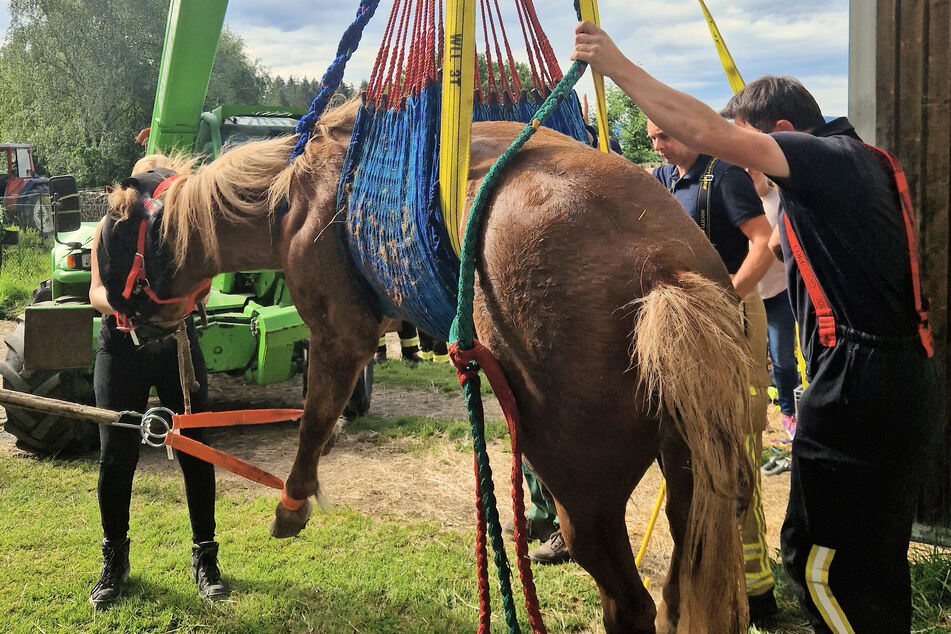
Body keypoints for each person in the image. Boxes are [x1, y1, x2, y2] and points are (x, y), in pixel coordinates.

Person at [572, 23, 944, 632]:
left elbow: (705, 132)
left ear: (784, 136)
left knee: (821, 566)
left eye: (746, 153)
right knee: (871, 562)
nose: (742, 171)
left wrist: (616, 65)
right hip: (893, 377)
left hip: (859, 389)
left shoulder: (825, 159)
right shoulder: (861, 166)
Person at [647, 120, 778, 620]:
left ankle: (757, 590)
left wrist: (726, 299)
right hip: (687, 328)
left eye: (667, 134)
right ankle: (709, 573)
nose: (660, 144)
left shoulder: (722, 176)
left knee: (736, 446)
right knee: (693, 450)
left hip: (733, 317)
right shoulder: (660, 180)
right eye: (653, 136)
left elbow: (763, 243)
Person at [87, 160, 228, 608]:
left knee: (196, 447)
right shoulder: (108, 228)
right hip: (121, 343)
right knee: (116, 455)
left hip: (177, 343)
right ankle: (114, 560)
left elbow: (204, 287)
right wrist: (121, 302)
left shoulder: (182, 229)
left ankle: (206, 559)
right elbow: (94, 294)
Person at [748, 168, 801, 438]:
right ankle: (756, 414)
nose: (747, 171)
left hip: (778, 294)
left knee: (782, 360)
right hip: (749, 297)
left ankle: (789, 413)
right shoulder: (737, 200)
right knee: (750, 362)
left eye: (751, 165)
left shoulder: (779, 201)